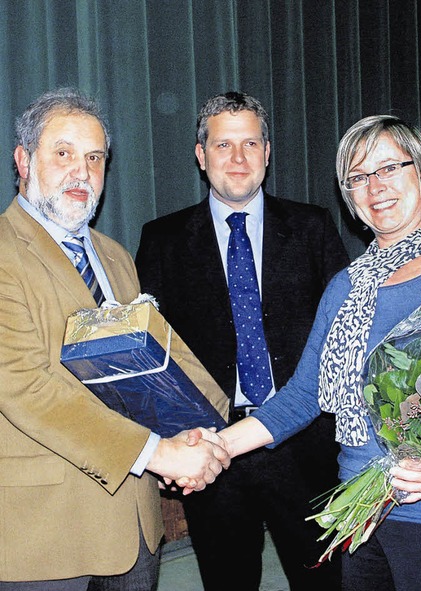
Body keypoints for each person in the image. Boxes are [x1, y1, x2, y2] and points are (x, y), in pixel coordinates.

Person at [204, 115, 421, 591]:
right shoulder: (347, 286)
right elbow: (304, 395)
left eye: (389, 168)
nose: (375, 187)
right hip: (359, 512)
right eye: (358, 177)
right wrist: (217, 447)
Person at [0, 88, 229, 590]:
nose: (81, 171)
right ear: (23, 159)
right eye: (62, 153)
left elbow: (158, 362)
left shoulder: (115, 256)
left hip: (135, 530)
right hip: (43, 537)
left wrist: (204, 432)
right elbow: (25, 390)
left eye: (94, 157)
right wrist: (159, 454)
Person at [135, 91, 349, 590]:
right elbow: (149, 357)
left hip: (305, 444)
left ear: (268, 153)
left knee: (324, 581)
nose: (237, 158)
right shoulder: (161, 240)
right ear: (200, 154)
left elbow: (347, 338)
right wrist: (172, 442)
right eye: (223, 144)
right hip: (212, 452)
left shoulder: (313, 228)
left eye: (250, 143)